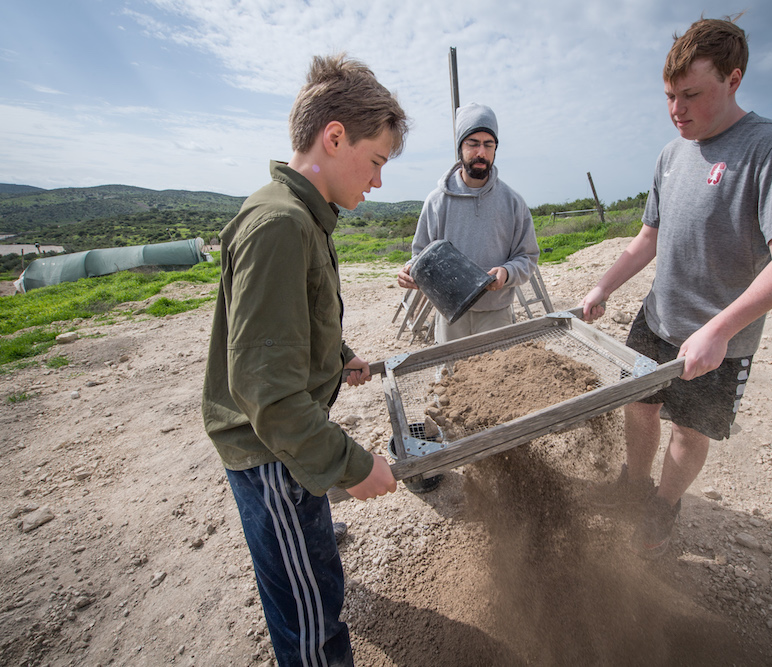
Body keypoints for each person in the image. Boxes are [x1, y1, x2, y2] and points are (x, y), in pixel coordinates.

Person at [581, 16, 772, 559]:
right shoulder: (670, 154)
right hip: (657, 318)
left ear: (734, 80)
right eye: (669, 96)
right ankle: (633, 485)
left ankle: (662, 505)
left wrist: (719, 330)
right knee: (638, 408)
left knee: (689, 429)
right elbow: (648, 239)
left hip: (720, 340)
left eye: (691, 94)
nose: (676, 109)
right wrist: (604, 286)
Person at [201, 53, 405, 666]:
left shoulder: (300, 216)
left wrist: (337, 356)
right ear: (334, 137)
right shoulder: (280, 226)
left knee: (315, 571)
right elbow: (271, 395)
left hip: (288, 449)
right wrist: (351, 464)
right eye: (375, 162)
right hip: (273, 456)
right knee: (312, 618)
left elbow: (287, 324)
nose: (376, 182)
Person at [397, 102, 539, 343]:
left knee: (496, 379)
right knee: (450, 378)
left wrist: (506, 272)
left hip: (496, 314)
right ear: (460, 147)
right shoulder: (436, 202)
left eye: (488, 144)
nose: (481, 152)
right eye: (473, 144)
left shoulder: (513, 202)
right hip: (450, 317)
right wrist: (409, 272)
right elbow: (420, 256)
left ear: (495, 149)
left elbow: (527, 257)